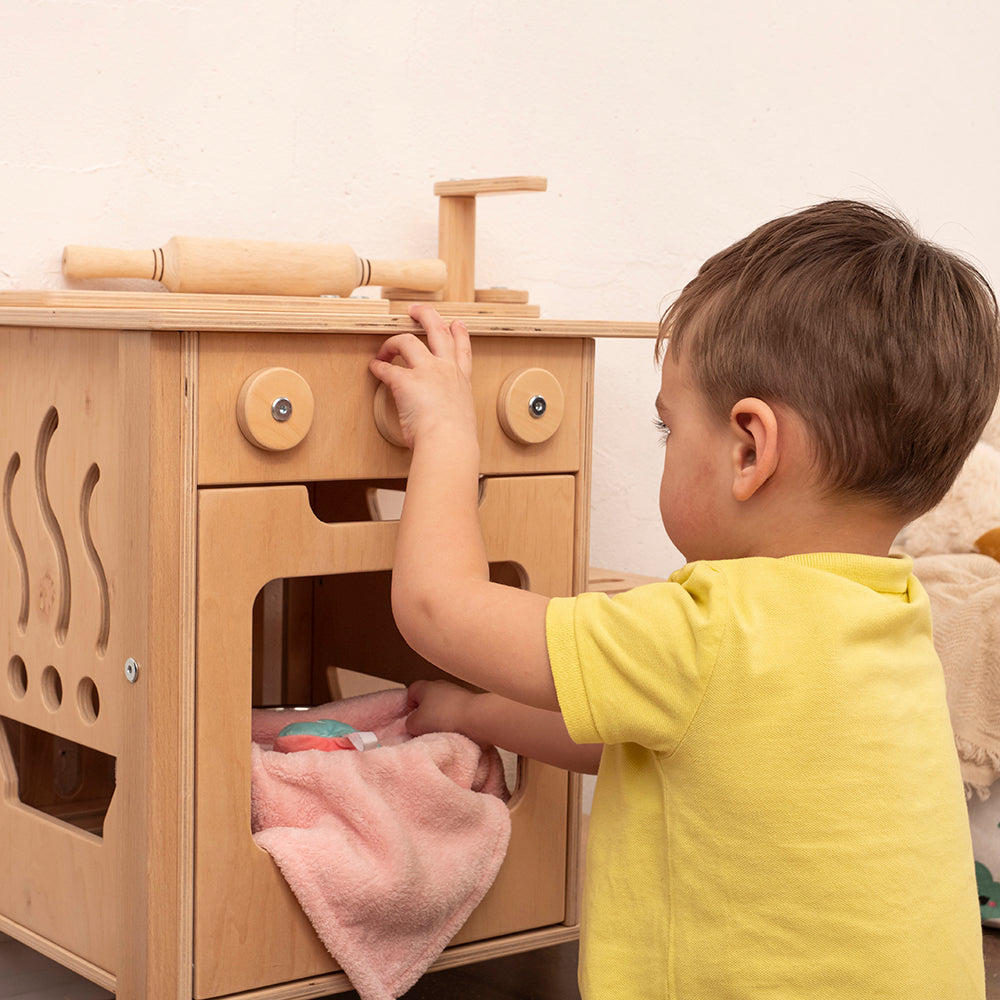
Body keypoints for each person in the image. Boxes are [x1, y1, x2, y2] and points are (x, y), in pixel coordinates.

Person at [368, 200, 1000, 999]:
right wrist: (473, 716)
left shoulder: (708, 630)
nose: (665, 446)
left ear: (748, 448)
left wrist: (448, 433)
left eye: (670, 428)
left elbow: (436, 607)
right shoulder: (895, 615)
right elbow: (653, 745)